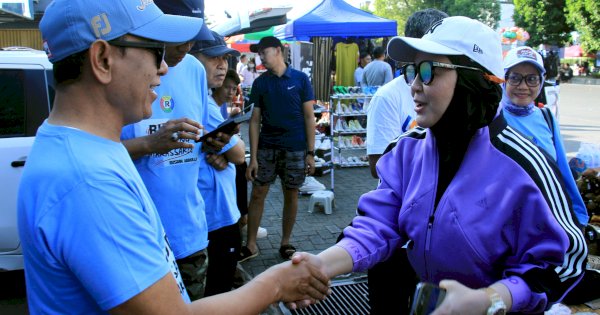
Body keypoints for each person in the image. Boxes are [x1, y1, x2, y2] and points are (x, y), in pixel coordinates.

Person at [17, 0, 330, 314]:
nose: (164, 68)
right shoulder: (88, 181)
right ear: (102, 59)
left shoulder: (84, 149)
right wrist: (275, 284)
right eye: (155, 50)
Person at [300, 16, 588, 314]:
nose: (413, 86)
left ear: (472, 80)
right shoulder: (407, 149)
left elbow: (565, 261)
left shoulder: (524, 166)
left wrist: (491, 299)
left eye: (427, 71)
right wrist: (322, 264)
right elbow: (379, 223)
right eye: (411, 71)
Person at [120, 0, 221, 300]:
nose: (188, 45)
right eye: (179, 34)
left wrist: (211, 148)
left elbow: (198, 136)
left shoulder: (194, 70)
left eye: (195, 35)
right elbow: (96, 155)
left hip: (190, 234)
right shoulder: (125, 71)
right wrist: (150, 144)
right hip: (140, 241)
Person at [362, 9, 447, 314]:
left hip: (440, 235)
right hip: (397, 230)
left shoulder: (450, 93)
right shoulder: (388, 97)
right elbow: (376, 165)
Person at [240, 36, 316, 262]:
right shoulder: (260, 83)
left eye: (264, 51)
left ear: (278, 50)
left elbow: (309, 117)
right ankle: (251, 244)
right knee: (258, 193)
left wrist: (310, 153)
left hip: (295, 148)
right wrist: (252, 158)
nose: (261, 56)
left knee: (291, 193)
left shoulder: (301, 79)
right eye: (259, 53)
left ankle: (285, 242)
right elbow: (254, 121)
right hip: (266, 148)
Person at [501, 46, 589, 227]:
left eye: (532, 79)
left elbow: (562, 171)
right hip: (503, 220)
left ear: (541, 82)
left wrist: (578, 217)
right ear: (504, 80)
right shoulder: (491, 117)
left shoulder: (547, 118)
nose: (523, 86)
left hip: (544, 219)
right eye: (515, 78)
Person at [189, 32, 246, 296]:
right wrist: (227, 155)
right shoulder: (201, 101)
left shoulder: (205, 99)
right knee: (217, 290)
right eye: (213, 57)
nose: (222, 64)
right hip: (214, 215)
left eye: (225, 57)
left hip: (215, 210)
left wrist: (223, 156)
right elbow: (239, 154)